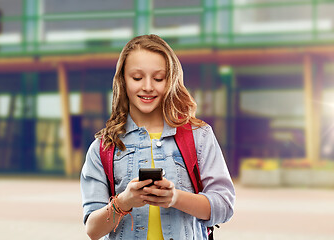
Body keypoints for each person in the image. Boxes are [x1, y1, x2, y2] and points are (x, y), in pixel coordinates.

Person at [80, 34, 235, 240]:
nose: (147, 87)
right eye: (137, 78)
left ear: (170, 81)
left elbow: (224, 206)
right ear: (123, 81)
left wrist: (175, 198)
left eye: (158, 78)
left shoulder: (199, 136)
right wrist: (124, 202)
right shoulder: (103, 147)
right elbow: (93, 229)